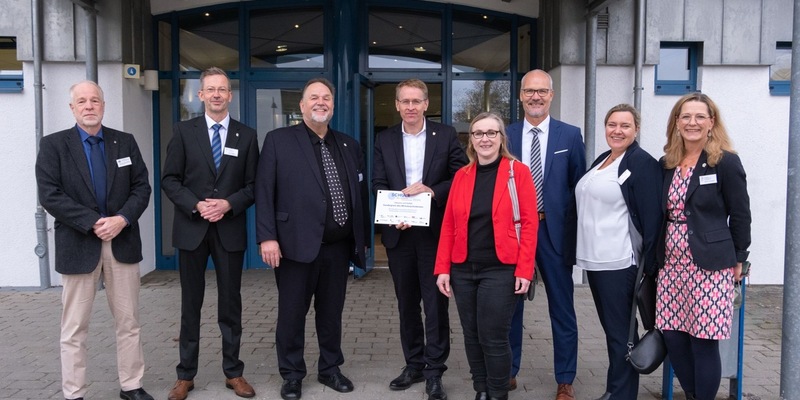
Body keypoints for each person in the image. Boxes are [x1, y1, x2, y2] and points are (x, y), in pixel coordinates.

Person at [35, 81, 154, 400]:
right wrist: (93, 222)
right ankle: (74, 392)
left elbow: (142, 187)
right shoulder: (53, 145)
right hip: (79, 244)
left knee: (129, 322)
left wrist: (121, 219)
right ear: (72, 108)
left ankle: (131, 385)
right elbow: (50, 194)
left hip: (122, 242)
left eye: (95, 100)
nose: (89, 106)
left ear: (103, 105)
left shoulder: (124, 142)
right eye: (82, 101)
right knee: (74, 327)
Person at [255, 78, 368, 400]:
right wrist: (267, 238)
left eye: (327, 98)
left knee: (331, 314)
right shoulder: (279, 140)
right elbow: (264, 191)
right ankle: (292, 375)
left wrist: (361, 241)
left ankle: (330, 369)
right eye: (314, 98)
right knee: (292, 314)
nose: (321, 102)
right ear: (302, 105)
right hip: (293, 247)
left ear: (333, 105)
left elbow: (358, 194)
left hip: (337, 247)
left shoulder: (348, 144)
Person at [161, 67, 259, 400]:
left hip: (229, 231)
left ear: (230, 96)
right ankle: (185, 375)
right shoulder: (183, 131)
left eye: (222, 89)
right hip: (192, 230)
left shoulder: (246, 136)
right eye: (210, 90)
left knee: (231, 305)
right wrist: (197, 205)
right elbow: (170, 180)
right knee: (191, 305)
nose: (217, 94)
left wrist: (228, 204)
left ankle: (234, 372)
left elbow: (253, 186)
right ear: (201, 95)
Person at [372, 78, 467, 400]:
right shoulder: (384, 139)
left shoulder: (447, 135)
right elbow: (378, 181)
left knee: (436, 305)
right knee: (407, 305)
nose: (410, 107)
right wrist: (391, 211)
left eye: (416, 101)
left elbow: (460, 177)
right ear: (397, 105)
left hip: (435, 235)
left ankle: (434, 371)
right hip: (399, 234)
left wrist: (432, 191)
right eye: (404, 101)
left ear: (427, 104)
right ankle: (413, 364)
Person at [434, 112, 537, 400]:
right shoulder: (461, 176)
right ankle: (481, 389)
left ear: (502, 138)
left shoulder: (519, 172)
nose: (485, 139)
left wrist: (524, 270)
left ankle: (497, 392)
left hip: (501, 268)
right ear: (471, 140)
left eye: (491, 133)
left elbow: (530, 224)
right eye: (478, 133)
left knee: (493, 335)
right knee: (471, 335)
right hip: (463, 268)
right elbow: (449, 226)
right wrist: (443, 268)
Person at [655, 93, 751, 400]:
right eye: (685, 116)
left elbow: (740, 214)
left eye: (699, 117)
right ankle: (695, 395)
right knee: (673, 336)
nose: (692, 123)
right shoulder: (667, 163)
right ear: (676, 122)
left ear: (711, 123)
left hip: (710, 265)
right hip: (670, 266)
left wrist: (739, 258)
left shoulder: (724, 162)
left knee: (703, 339)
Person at [570, 104, 661, 400]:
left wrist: (650, 268)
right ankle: (615, 390)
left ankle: (621, 394)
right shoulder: (604, 159)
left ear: (636, 130)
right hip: (596, 261)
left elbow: (651, 219)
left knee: (621, 334)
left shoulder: (642, 163)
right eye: (612, 124)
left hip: (619, 261)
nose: (617, 130)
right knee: (614, 333)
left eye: (625, 125)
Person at [506, 69, 586, 400]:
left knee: (562, 308)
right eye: (529, 91)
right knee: (509, 306)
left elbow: (579, 187)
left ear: (551, 95)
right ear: (520, 96)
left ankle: (565, 378)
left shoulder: (570, 136)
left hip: (554, 234)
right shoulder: (506, 135)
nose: (535, 96)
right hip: (515, 233)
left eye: (542, 91)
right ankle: (508, 370)